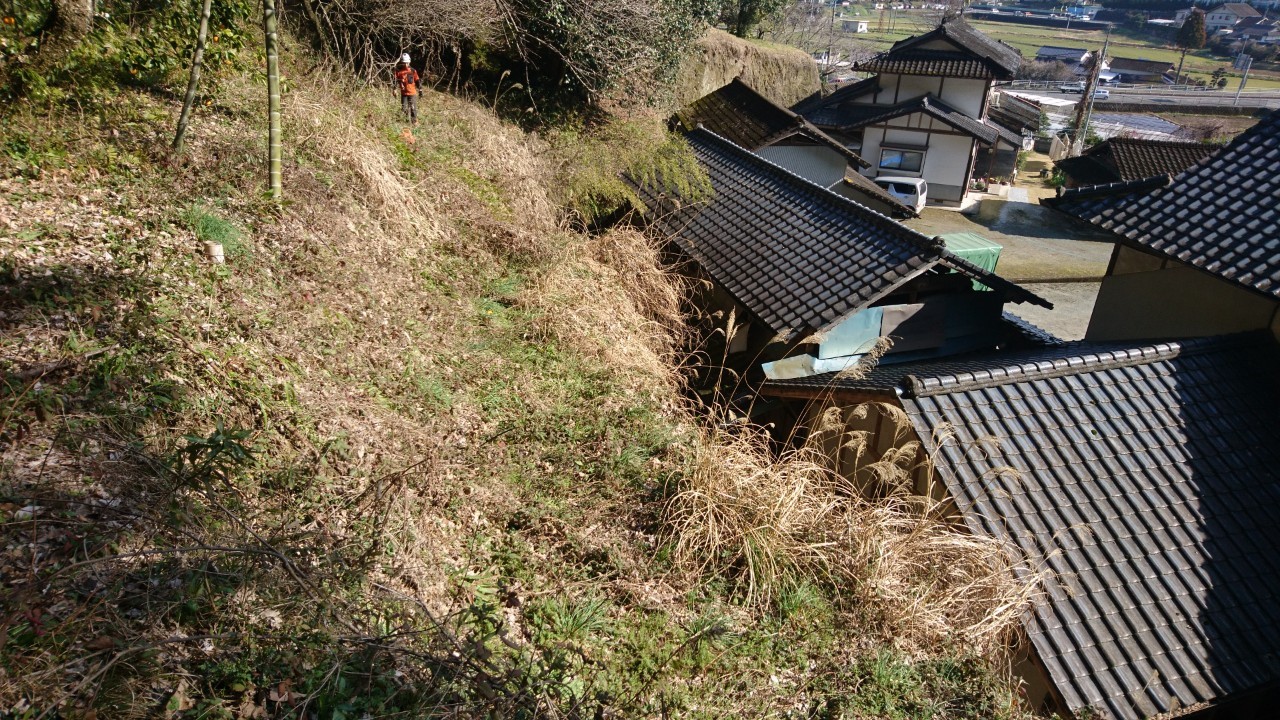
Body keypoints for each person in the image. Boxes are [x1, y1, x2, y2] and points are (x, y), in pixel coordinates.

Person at [395, 53, 421, 125]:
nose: (405, 65)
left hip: (412, 93)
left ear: (409, 62)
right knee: (404, 108)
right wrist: (394, 89)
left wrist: (420, 90)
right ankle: (406, 120)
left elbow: (417, 80)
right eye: (404, 63)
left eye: (407, 63)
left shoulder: (413, 71)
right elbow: (396, 80)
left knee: (413, 108)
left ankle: (414, 122)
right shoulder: (398, 71)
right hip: (404, 93)